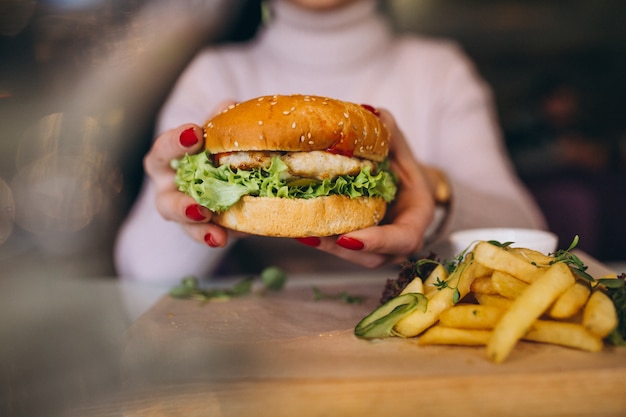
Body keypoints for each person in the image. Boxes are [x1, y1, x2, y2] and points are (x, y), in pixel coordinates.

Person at [114, 0, 546, 283]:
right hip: (252, 343)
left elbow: (532, 239)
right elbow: (138, 274)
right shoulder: (213, 74)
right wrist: (183, 197)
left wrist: (430, 189)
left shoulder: (439, 70)